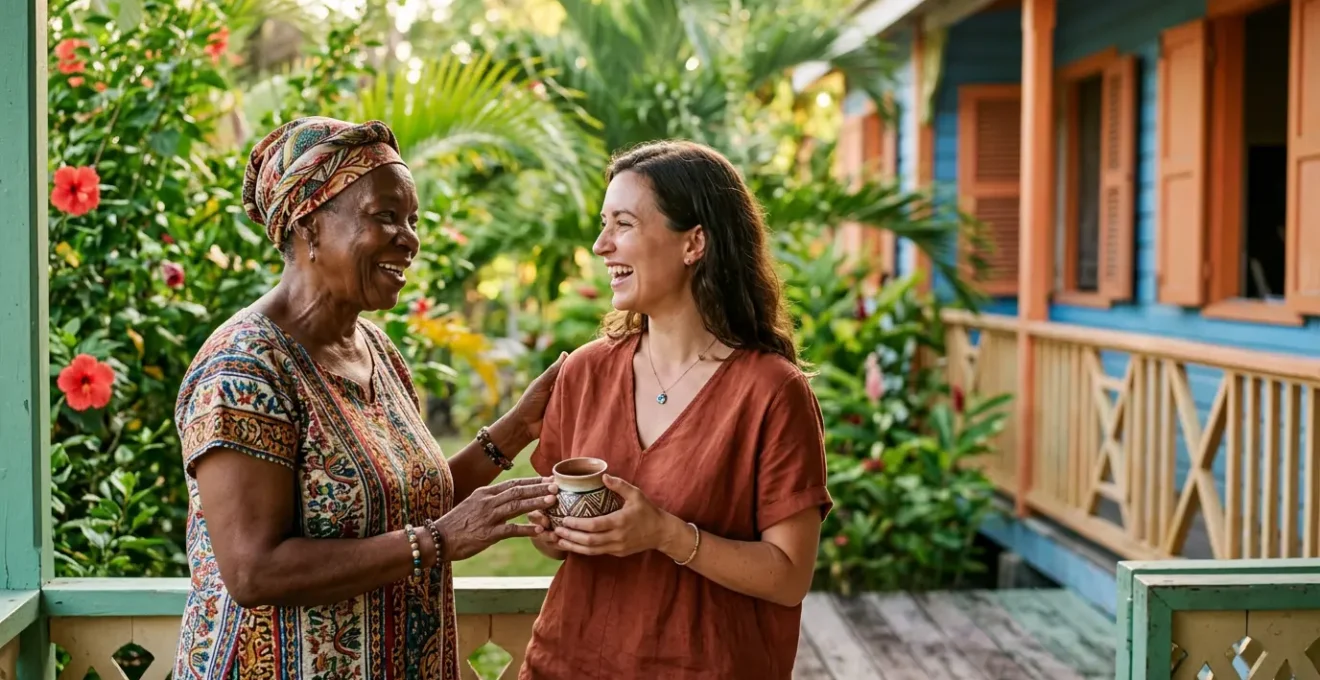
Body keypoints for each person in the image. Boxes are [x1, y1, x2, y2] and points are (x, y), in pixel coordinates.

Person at [173, 116, 565, 679]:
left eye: (411, 219)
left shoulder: (375, 349)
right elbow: (253, 571)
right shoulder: (245, 367)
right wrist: (435, 542)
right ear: (309, 225)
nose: (410, 239)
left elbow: (406, 504)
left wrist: (518, 427)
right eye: (385, 217)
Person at [518, 140, 832, 679]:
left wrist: (666, 533)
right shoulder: (584, 372)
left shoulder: (771, 392)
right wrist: (554, 535)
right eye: (603, 224)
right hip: (568, 663)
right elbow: (557, 540)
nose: (600, 245)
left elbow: (788, 575)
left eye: (623, 224)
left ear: (694, 243)